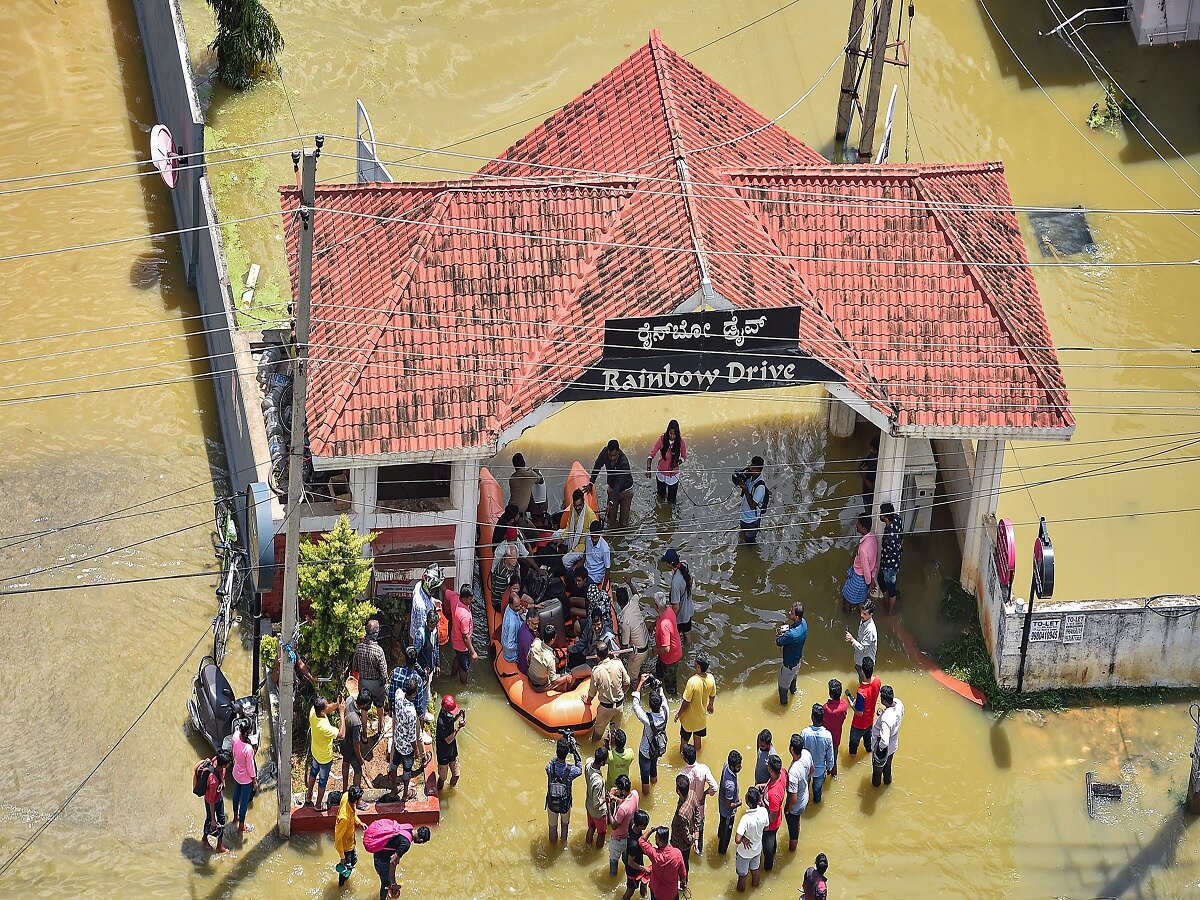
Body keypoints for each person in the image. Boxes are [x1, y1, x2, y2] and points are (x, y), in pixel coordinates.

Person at [630, 674, 669, 794]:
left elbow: (635, 705)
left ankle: (646, 797)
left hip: (646, 751)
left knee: (644, 777)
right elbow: (662, 697)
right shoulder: (666, 712)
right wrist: (658, 686)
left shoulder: (647, 720)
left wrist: (640, 683)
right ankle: (654, 786)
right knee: (653, 769)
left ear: (650, 706)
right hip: (657, 748)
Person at [370, 822, 430, 900]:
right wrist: (394, 883)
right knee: (386, 883)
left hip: (379, 849)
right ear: (420, 840)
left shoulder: (408, 826)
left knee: (386, 878)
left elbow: (395, 841)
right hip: (381, 858)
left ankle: (387, 889)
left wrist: (396, 857)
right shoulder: (406, 844)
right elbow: (392, 862)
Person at [351, 618, 389, 741]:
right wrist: (384, 684)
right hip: (377, 684)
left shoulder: (358, 648)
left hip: (363, 683)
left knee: (364, 709)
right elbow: (384, 673)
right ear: (376, 634)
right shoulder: (379, 651)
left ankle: (364, 735)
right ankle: (380, 729)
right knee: (379, 706)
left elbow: (355, 668)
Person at [388, 676, 423, 808]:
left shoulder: (398, 696)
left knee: (394, 766)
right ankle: (405, 794)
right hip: (407, 748)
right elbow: (412, 736)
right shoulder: (412, 712)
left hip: (397, 742)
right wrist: (416, 751)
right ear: (414, 693)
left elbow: (397, 691)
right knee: (407, 771)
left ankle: (393, 790)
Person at [679, 742, 717, 853]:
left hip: (687, 810)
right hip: (700, 809)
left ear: (685, 759)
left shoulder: (683, 775)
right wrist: (705, 793)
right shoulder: (704, 769)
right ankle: (698, 852)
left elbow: (680, 794)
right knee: (699, 832)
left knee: (686, 833)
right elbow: (714, 787)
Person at [589, 640, 630, 740]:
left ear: (597, 656)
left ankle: (592, 749)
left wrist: (587, 700)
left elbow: (592, 694)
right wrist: (623, 692)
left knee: (597, 735)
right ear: (608, 652)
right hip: (619, 706)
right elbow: (627, 682)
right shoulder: (618, 664)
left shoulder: (596, 671)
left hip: (605, 708)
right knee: (616, 733)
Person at [588, 438, 635, 527]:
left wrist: (610, 502)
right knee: (610, 519)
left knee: (624, 523)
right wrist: (591, 482)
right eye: (610, 455)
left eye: (614, 456)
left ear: (618, 452)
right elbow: (597, 465)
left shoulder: (624, 463)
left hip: (626, 491)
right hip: (612, 488)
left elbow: (618, 484)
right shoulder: (605, 452)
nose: (612, 458)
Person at [545, 735, 583, 844]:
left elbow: (550, 764)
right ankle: (563, 844)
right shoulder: (572, 771)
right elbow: (580, 768)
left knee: (552, 827)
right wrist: (574, 750)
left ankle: (553, 847)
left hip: (552, 803)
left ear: (556, 752)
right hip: (565, 804)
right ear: (567, 753)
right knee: (565, 825)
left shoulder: (549, 767)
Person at [675, 652, 716, 754]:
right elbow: (712, 694)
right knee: (697, 744)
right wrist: (710, 705)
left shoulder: (692, 681)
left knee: (684, 744)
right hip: (701, 720)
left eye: (695, 662)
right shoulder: (711, 678)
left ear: (698, 666)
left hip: (688, 721)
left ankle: (683, 761)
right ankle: (696, 759)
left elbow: (686, 702)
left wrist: (678, 714)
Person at [305, 697, 338, 811]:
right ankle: (318, 805)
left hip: (315, 752)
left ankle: (308, 797)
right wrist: (342, 714)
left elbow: (327, 709)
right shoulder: (324, 727)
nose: (328, 706)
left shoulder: (313, 711)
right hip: (325, 758)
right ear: (323, 711)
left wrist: (337, 704)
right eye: (327, 705)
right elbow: (342, 734)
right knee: (322, 781)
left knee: (313, 773)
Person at [734, 786, 769, 892]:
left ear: (748, 802)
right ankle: (755, 890)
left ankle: (740, 895)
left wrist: (744, 839)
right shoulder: (763, 812)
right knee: (755, 871)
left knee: (742, 876)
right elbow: (766, 828)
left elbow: (737, 839)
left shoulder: (745, 819)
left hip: (744, 853)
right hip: (757, 849)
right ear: (759, 800)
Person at [339, 692, 371, 809]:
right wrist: (360, 758)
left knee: (345, 763)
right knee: (358, 771)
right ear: (363, 705)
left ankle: (344, 791)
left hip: (343, 742)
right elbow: (356, 743)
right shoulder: (356, 722)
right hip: (351, 748)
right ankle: (357, 800)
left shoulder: (349, 700)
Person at [638, 825, 687, 900]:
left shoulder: (654, 855)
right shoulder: (677, 853)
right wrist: (683, 883)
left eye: (656, 838)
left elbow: (641, 840)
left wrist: (652, 829)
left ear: (659, 842)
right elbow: (683, 874)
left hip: (657, 893)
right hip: (672, 894)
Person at [841, 515, 878, 612]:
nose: (856, 526)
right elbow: (875, 560)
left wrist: (869, 583)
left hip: (859, 577)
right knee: (861, 600)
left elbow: (865, 569)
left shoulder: (863, 549)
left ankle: (846, 613)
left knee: (846, 596)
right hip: (866, 577)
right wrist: (872, 577)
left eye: (858, 524)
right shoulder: (873, 537)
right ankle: (861, 616)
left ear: (864, 528)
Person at [871, 685, 905, 787]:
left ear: (884, 700)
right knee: (888, 768)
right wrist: (883, 712)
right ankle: (887, 783)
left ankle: (875, 787)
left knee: (877, 773)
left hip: (884, 748)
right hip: (893, 744)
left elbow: (884, 741)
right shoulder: (899, 703)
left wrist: (879, 748)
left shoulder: (886, 719)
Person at [199, 749, 232, 853]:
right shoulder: (213, 781)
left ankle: (219, 845)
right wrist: (213, 819)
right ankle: (205, 838)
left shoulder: (217, 760)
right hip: (211, 802)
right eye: (229, 763)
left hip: (219, 797)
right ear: (224, 765)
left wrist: (223, 782)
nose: (230, 764)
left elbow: (222, 775)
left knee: (222, 821)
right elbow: (212, 800)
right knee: (209, 820)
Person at [800, 705, 835, 805]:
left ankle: (805, 804)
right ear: (822, 718)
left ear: (812, 717)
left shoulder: (804, 733)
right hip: (820, 770)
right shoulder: (828, 735)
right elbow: (830, 755)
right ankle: (816, 803)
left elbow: (800, 752)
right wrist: (830, 767)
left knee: (804, 790)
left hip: (806, 768)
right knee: (817, 790)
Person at [646, 419, 687, 503]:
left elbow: (684, 457)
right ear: (668, 431)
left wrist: (676, 463)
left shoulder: (681, 442)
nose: (672, 436)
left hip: (673, 476)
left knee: (671, 500)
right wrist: (648, 468)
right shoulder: (661, 439)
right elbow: (651, 454)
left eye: (674, 434)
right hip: (661, 474)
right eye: (670, 433)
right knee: (660, 497)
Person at [775, 601, 808, 706]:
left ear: (797, 617)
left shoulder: (791, 635)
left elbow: (778, 642)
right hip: (797, 662)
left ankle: (783, 707)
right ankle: (793, 692)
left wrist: (779, 634)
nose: (789, 612)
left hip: (788, 666)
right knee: (793, 681)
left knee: (782, 688)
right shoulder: (804, 623)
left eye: (792, 612)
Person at [848, 656, 882, 757]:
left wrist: (852, 704)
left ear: (862, 671)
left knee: (853, 750)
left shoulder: (861, 692)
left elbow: (859, 712)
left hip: (858, 725)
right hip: (870, 722)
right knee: (869, 747)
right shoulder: (877, 680)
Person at [785, 733, 813, 852]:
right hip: (805, 795)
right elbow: (812, 769)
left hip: (796, 806)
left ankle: (792, 851)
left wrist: (787, 809)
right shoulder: (806, 754)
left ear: (791, 749)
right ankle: (797, 828)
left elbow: (793, 798)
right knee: (796, 823)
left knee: (793, 832)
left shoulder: (793, 773)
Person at [617, 583, 651, 681]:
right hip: (645, 641)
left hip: (639, 651)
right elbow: (635, 593)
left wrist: (619, 658)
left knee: (631, 677)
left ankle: (637, 690)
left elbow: (624, 645)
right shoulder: (633, 602)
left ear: (618, 602)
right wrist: (630, 583)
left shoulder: (624, 621)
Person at [608, 774, 640, 875]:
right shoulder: (635, 794)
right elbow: (628, 804)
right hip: (629, 836)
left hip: (618, 840)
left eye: (618, 788)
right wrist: (616, 800)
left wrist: (608, 805)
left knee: (613, 861)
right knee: (626, 859)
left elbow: (613, 825)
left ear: (622, 791)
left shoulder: (622, 809)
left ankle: (612, 879)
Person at [662, 548, 695, 645]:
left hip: (681, 615)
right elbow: (690, 580)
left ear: (670, 564)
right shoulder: (684, 564)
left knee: (675, 637)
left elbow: (676, 606)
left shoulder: (675, 583)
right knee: (687, 634)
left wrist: (671, 619)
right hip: (688, 608)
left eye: (666, 562)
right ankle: (688, 649)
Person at [669, 772, 700, 876]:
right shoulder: (692, 793)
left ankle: (682, 883)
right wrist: (696, 836)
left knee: (680, 864)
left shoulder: (682, 813)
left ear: (678, 791)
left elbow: (685, 835)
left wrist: (692, 840)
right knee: (685, 863)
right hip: (688, 837)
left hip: (680, 844)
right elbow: (697, 814)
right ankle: (683, 880)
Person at [653, 592, 683, 697]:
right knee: (659, 672)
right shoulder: (669, 610)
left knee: (670, 684)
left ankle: (673, 699)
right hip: (665, 655)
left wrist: (656, 651)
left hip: (670, 658)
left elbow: (666, 648)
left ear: (655, 606)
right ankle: (657, 682)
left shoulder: (664, 625)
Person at [759, 753, 786, 872]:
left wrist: (764, 826)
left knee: (767, 850)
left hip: (770, 826)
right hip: (777, 819)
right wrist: (763, 786)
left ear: (770, 769)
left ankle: (767, 868)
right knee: (772, 843)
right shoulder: (783, 773)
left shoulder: (773, 795)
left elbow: (772, 818)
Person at [559, 488, 597, 568]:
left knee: (565, 561)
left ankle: (573, 571)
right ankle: (567, 551)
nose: (577, 508)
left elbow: (593, 541)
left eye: (579, 505)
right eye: (576, 506)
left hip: (582, 546)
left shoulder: (591, 516)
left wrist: (583, 558)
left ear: (583, 501)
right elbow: (569, 525)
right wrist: (562, 538)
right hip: (572, 535)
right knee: (555, 535)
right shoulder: (573, 507)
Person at [230, 720, 257, 833]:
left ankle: (235, 817)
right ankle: (242, 825)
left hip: (236, 772)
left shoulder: (235, 736)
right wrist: (254, 780)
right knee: (244, 801)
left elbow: (233, 753)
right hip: (246, 779)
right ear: (249, 731)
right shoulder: (248, 749)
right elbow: (250, 767)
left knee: (236, 794)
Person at [334, 785, 364, 885]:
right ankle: (341, 885)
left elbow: (353, 813)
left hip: (351, 840)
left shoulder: (347, 796)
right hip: (346, 847)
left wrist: (359, 822)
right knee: (346, 867)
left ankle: (347, 871)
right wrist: (342, 857)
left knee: (354, 860)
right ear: (355, 800)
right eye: (360, 799)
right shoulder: (344, 819)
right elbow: (338, 839)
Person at [449, 583, 479, 684]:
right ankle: (463, 685)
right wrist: (473, 652)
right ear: (465, 599)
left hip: (454, 639)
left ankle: (452, 677)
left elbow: (445, 591)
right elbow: (465, 637)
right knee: (465, 666)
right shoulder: (465, 616)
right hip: (462, 645)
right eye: (470, 599)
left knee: (458, 657)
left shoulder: (455, 598)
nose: (472, 601)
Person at [435, 694, 466, 792]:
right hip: (443, 753)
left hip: (452, 752)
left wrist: (458, 715)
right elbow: (448, 740)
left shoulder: (447, 714)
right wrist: (459, 728)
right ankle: (439, 792)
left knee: (456, 775)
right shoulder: (441, 722)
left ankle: (451, 790)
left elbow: (451, 720)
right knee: (442, 779)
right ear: (445, 710)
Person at [415, 607, 441, 721]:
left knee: (427, 696)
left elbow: (436, 648)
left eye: (433, 625)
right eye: (429, 625)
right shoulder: (420, 635)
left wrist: (437, 664)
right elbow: (413, 657)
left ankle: (423, 715)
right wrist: (421, 671)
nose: (431, 628)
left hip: (429, 670)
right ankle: (419, 718)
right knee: (420, 696)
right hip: (421, 672)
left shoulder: (435, 632)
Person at [845, 598, 879, 683]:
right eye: (861, 612)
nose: (862, 615)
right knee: (861, 677)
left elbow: (863, 649)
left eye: (865, 614)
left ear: (871, 615)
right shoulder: (864, 620)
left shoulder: (870, 630)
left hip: (865, 663)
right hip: (859, 659)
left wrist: (852, 639)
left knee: (865, 682)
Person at [736, 455, 768, 544]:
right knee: (742, 536)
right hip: (743, 517)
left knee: (749, 543)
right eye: (751, 466)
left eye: (754, 468)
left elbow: (753, 506)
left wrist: (745, 490)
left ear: (760, 470)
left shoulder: (760, 487)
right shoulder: (750, 478)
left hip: (752, 521)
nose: (751, 469)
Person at [879, 502, 904, 613]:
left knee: (891, 589)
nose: (880, 515)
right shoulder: (897, 519)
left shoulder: (889, 538)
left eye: (882, 514)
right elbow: (902, 537)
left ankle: (889, 613)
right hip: (894, 560)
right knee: (880, 579)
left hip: (889, 566)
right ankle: (887, 603)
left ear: (886, 517)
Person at [717, 749, 743, 855]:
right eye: (738, 766)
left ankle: (719, 835)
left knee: (722, 826)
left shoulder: (726, 764)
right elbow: (729, 805)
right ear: (732, 767)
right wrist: (739, 803)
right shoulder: (730, 786)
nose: (740, 767)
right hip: (727, 813)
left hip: (721, 804)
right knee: (725, 837)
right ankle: (721, 852)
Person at [584, 744, 610, 848]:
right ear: (603, 763)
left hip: (588, 805)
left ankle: (588, 846)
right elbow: (597, 803)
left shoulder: (588, 764)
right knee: (601, 833)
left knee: (591, 827)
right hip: (598, 812)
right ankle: (598, 852)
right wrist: (607, 797)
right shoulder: (598, 782)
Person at [823, 679, 850, 778]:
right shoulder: (844, 705)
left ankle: (826, 774)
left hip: (825, 740)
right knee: (834, 758)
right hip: (836, 739)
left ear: (830, 693)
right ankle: (834, 776)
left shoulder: (826, 708)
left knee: (824, 759)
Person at [411, 564, 444, 645]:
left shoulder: (419, 585)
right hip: (422, 639)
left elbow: (426, 596)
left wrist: (433, 601)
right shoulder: (421, 606)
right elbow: (423, 629)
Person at [622, 810, 652, 899]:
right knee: (631, 889)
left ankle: (643, 896)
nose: (646, 826)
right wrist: (643, 868)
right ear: (639, 826)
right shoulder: (634, 845)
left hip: (632, 856)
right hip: (632, 869)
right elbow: (630, 862)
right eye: (645, 825)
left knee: (644, 880)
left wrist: (651, 830)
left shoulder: (632, 824)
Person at [501, 588, 529, 664]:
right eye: (516, 606)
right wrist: (522, 646)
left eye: (519, 605)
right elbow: (510, 645)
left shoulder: (509, 608)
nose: (519, 607)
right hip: (512, 655)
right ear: (510, 604)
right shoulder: (512, 624)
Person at [584, 521, 612, 586]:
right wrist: (581, 564)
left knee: (583, 586)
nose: (594, 540)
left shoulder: (605, 549)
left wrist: (604, 588)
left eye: (596, 538)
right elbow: (585, 551)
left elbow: (608, 568)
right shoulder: (587, 537)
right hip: (586, 568)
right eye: (592, 537)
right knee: (570, 576)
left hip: (596, 576)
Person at [517, 607, 538, 675]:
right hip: (526, 668)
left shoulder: (524, 625)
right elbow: (528, 660)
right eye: (535, 624)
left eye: (538, 623)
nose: (537, 626)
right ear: (529, 621)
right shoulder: (527, 639)